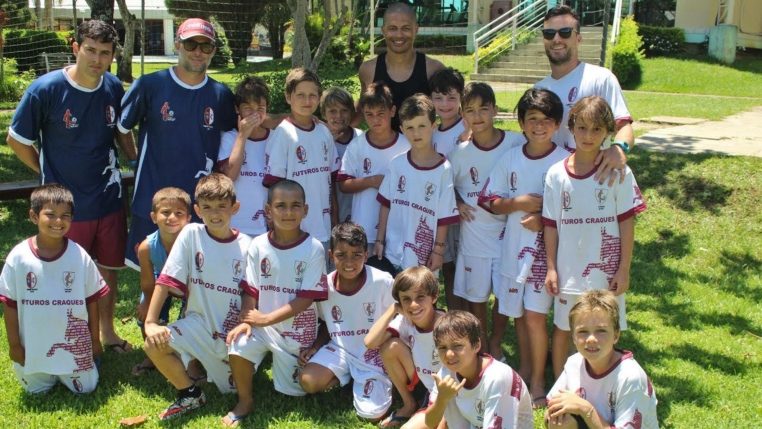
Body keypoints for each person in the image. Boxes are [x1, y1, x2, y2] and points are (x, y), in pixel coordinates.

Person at [6, 20, 136, 353]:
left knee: (108, 268)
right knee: (64, 272)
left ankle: (106, 332)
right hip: (67, 206)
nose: (96, 59)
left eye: (104, 53)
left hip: (108, 197)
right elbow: (17, 140)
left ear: (111, 56)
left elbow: (122, 132)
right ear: (76, 48)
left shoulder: (112, 88)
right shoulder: (45, 89)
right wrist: (46, 174)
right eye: (90, 50)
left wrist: (136, 160)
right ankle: (66, 334)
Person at [542, 96, 647, 378]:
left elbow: (627, 223)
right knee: (564, 327)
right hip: (568, 271)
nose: (589, 136)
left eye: (597, 130)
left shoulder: (619, 173)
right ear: (571, 127)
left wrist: (624, 269)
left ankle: (604, 382)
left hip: (606, 270)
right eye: (582, 128)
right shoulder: (555, 174)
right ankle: (563, 386)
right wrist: (552, 268)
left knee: (605, 326)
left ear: (608, 132)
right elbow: (550, 225)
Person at [119, 17, 236, 268]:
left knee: (194, 282)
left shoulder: (221, 94)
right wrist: (134, 159)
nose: (198, 51)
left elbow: (236, 134)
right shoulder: (150, 85)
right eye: (191, 44)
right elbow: (121, 128)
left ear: (213, 51)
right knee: (151, 282)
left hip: (200, 206)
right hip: (153, 200)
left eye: (205, 46)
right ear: (177, 45)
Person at [479, 88, 570, 407]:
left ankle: (538, 382)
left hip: (548, 256)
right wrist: (517, 203)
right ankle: (526, 369)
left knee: (534, 316)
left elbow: (574, 210)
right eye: (532, 119)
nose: (539, 126)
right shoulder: (512, 158)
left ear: (557, 124)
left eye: (547, 120)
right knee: (520, 315)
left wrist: (543, 217)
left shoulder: (564, 161)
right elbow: (488, 200)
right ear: (521, 123)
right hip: (513, 252)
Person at [143, 173, 251, 420]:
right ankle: (190, 393)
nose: (215, 214)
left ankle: (218, 368)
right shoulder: (191, 233)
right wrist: (150, 323)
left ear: (235, 207)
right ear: (197, 210)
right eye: (207, 207)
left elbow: (250, 293)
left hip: (231, 334)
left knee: (231, 388)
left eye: (222, 207)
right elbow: (166, 280)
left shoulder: (248, 246)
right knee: (153, 344)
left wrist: (245, 322)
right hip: (197, 324)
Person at [225, 179, 328, 427]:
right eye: (281, 206)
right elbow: (250, 287)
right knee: (238, 342)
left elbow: (306, 298)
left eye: (296, 206)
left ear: (306, 210)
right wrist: (248, 320)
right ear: (268, 210)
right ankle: (245, 400)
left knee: (297, 390)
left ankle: (293, 359)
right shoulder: (258, 244)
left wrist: (267, 318)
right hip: (262, 325)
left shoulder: (313, 248)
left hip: (296, 333)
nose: (289, 212)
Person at [0, 184, 109, 394]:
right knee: (35, 391)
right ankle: (43, 371)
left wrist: (95, 341)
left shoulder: (79, 256)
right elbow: (10, 305)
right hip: (34, 348)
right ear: (33, 216)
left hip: (74, 349)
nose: (58, 221)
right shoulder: (18, 257)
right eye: (50, 215)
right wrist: (14, 345)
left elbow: (92, 302)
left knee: (86, 389)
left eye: (65, 215)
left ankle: (86, 365)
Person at [448, 82, 523, 355]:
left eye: (483, 109)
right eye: (470, 110)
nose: (477, 116)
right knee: (477, 295)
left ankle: (496, 339)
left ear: (495, 110)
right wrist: (457, 202)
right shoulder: (460, 153)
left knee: (503, 295)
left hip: (508, 234)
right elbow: (447, 184)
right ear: (463, 115)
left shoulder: (516, 142)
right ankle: (481, 342)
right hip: (474, 235)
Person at [298, 222, 395, 422]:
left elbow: (399, 319)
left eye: (356, 255)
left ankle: (363, 379)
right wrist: (316, 346)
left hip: (373, 353)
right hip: (340, 350)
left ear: (366, 255)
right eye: (341, 255)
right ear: (331, 255)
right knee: (307, 382)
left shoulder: (383, 282)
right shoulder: (324, 286)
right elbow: (326, 322)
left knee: (372, 415)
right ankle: (347, 378)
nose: (349, 262)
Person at [536, 5, 633, 184]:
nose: (556, 39)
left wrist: (619, 148)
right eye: (549, 33)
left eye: (565, 32)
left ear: (578, 38)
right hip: (551, 181)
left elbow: (624, 125)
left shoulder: (601, 78)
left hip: (594, 180)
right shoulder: (538, 89)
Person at [545, 290, 658, 429]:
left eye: (601, 331)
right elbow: (552, 406)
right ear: (573, 337)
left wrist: (585, 409)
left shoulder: (630, 378)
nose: (591, 339)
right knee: (561, 420)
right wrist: (555, 414)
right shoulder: (574, 363)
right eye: (582, 331)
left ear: (616, 335)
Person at [375, 94, 459, 275]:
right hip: (393, 250)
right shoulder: (396, 165)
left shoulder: (443, 169)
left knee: (421, 300)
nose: (416, 133)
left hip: (424, 254)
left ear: (433, 126)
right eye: (410, 128)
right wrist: (379, 240)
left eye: (422, 126)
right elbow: (385, 205)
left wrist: (438, 251)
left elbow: (444, 217)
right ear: (402, 129)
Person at [263, 68, 340, 260]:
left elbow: (331, 182)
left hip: (322, 228)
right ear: (289, 97)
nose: (307, 101)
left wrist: (335, 222)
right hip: (291, 231)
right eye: (301, 95)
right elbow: (275, 185)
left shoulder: (324, 132)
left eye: (312, 95)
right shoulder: (283, 134)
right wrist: (276, 226)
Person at [422, 310, 533, 429]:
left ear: (476, 345)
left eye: (457, 346)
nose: (449, 354)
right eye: (442, 347)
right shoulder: (446, 373)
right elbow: (430, 422)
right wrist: (442, 398)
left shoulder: (497, 378)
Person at [364, 266, 445, 429]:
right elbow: (370, 342)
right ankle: (410, 404)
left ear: (434, 297)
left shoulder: (446, 326)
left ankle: (432, 412)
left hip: (445, 394)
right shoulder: (406, 320)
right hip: (424, 385)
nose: (413, 305)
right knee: (389, 347)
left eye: (420, 297)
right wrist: (393, 310)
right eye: (406, 299)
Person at [336, 82, 410, 259]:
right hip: (364, 229)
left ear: (392, 112)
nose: (375, 119)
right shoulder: (357, 145)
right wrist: (372, 181)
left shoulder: (406, 144)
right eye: (369, 114)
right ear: (362, 114)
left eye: (380, 114)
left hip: (399, 230)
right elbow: (343, 184)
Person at [132, 187, 192, 376]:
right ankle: (152, 356)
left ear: (188, 219)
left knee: (190, 322)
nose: (172, 217)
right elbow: (148, 283)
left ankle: (192, 359)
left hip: (188, 287)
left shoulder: (193, 243)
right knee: (146, 315)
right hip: (160, 285)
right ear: (153, 216)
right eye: (165, 212)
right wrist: (147, 304)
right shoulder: (146, 247)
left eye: (179, 213)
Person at [358, 2, 444, 129]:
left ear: (416, 29)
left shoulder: (433, 69)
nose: (399, 35)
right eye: (392, 28)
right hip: (383, 147)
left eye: (406, 28)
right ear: (383, 30)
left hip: (420, 146)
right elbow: (361, 109)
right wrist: (323, 125)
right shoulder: (368, 70)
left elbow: (452, 111)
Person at [429, 67, 467, 313]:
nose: (445, 104)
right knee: (445, 264)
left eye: (452, 97)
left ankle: (459, 316)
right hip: (438, 208)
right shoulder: (431, 130)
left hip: (463, 209)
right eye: (439, 98)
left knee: (457, 267)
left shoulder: (468, 128)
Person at [217, 76, 270, 237]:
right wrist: (243, 135)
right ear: (237, 109)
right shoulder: (230, 138)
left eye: (260, 108)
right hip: (235, 225)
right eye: (248, 108)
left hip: (266, 227)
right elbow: (230, 176)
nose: (254, 114)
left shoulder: (276, 137)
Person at [321, 87, 363, 223]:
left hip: (357, 211)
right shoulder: (318, 140)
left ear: (351, 112)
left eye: (344, 110)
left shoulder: (361, 138)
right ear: (323, 113)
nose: (338, 116)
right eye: (333, 111)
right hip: (328, 213)